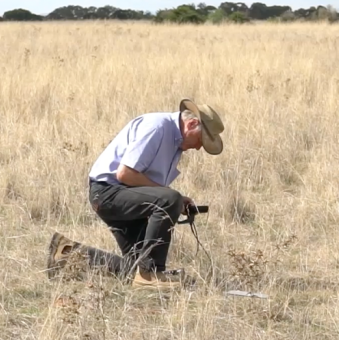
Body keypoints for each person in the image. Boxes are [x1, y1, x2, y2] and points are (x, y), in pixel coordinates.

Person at [47, 98, 225, 289]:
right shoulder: (157, 127)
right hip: (109, 193)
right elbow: (126, 174)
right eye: (200, 141)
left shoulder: (174, 141)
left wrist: (174, 200)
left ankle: (67, 254)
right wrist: (172, 199)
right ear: (191, 124)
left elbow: (149, 188)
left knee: (135, 269)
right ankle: (152, 274)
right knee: (169, 199)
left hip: (123, 194)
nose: (198, 147)